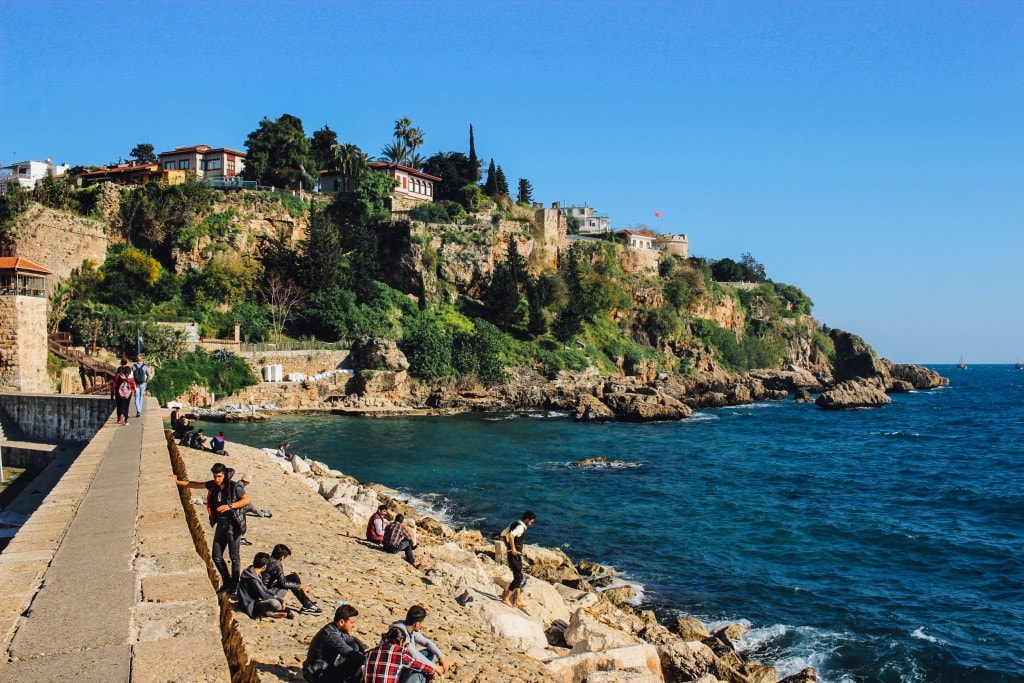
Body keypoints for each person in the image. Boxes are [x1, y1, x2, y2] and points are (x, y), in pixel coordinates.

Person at [175, 463, 249, 594]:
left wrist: (230, 506)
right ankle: (226, 582)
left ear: (225, 475)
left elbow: (246, 500)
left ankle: (234, 584)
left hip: (233, 526)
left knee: (234, 557)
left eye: (219, 476)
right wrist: (176, 481)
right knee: (216, 556)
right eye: (215, 476)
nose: (217, 479)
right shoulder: (213, 485)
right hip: (221, 525)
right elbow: (196, 484)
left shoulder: (234, 486)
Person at [304, 603, 367, 683]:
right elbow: (352, 654)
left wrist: (364, 648)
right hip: (318, 675)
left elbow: (352, 639)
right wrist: (371, 660)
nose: (354, 626)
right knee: (357, 661)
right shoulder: (331, 636)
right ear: (341, 622)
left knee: (355, 646)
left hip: (325, 669)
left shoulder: (335, 629)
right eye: (352, 623)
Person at [388, 605, 449, 682]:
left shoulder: (408, 629)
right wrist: (435, 667)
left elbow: (427, 642)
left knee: (429, 653)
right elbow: (414, 655)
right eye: (421, 623)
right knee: (421, 673)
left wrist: (441, 657)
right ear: (417, 624)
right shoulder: (399, 634)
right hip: (395, 673)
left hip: (402, 664)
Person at [262, 543, 323, 615]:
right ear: (282, 557)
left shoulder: (268, 559)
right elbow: (283, 583)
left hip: (263, 590)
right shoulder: (277, 564)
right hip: (267, 594)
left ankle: (307, 603)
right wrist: (299, 586)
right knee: (292, 579)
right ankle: (307, 605)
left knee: (293, 577)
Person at [364, 625, 437, 683]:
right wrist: (429, 680)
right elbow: (430, 670)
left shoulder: (371, 652)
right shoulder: (400, 655)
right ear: (401, 641)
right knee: (420, 674)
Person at [500, 510, 537, 608]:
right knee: (518, 577)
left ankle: (518, 599)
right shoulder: (520, 527)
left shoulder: (514, 523)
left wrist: (508, 546)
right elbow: (511, 536)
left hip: (514, 554)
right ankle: (506, 598)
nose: (531, 524)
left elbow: (503, 534)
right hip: (514, 555)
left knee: (518, 575)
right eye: (531, 522)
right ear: (527, 519)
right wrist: (513, 549)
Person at [237, 551, 290, 618]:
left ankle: (269, 611)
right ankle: (267, 612)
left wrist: (277, 597)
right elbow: (264, 595)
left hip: (257, 599)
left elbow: (265, 589)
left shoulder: (252, 571)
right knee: (275, 604)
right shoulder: (253, 579)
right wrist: (280, 600)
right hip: (251, 605)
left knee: (282, 590)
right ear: (264, 567)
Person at [111, 361, 135, 426]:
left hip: (118, 393)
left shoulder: (117, 377)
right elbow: (133, 385)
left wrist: (112, 394)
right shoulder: (131, 378)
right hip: (128, 394)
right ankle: (126, 420)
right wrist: (134, 391)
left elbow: (113, 385)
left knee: (119, 406)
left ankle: (119, 418)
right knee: (126, 406)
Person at [131, 354, 153, 418]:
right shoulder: (145, 366)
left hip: (136, 383)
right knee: (141, 396)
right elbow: (149, 375)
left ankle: (138, 411)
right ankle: (139, 411)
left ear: (136, 360)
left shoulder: (133, 366)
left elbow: (131, 376)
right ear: (142, 360)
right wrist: (146, 381)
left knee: (136, 397)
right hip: (143, 383)